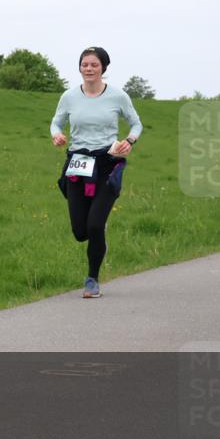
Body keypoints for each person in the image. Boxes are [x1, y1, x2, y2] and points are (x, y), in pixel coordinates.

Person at [51, 46, 142, 298]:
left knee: (94, 226)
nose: (88, 69)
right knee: (80, 232)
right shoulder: (69, 96)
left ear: (103, 68)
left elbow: (136, 123)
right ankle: (96, 235)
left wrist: (130, 140)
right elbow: (56, 122)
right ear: (79, 67)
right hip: (78, 164)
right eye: (84, 64)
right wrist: (57, 134)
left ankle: (92, 279)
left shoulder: (117, 96)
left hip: (106, 164)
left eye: (94, 64)